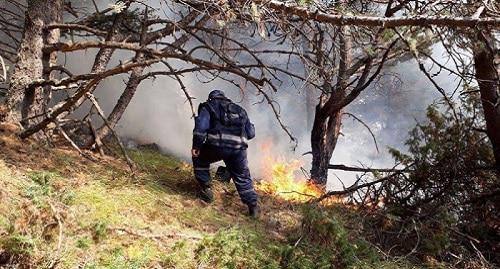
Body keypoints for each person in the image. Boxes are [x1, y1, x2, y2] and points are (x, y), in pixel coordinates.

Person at [191, 89, 259, 217]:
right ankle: (253, 206)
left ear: (211, 98)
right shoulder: (240, 110)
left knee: (199, 158)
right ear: (225, 98)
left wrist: (197, 145)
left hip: (217, 146)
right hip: (238, 150)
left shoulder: (208, 106)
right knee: (242, 176)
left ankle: (206, 189)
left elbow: (201, 127)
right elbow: (250, 133)